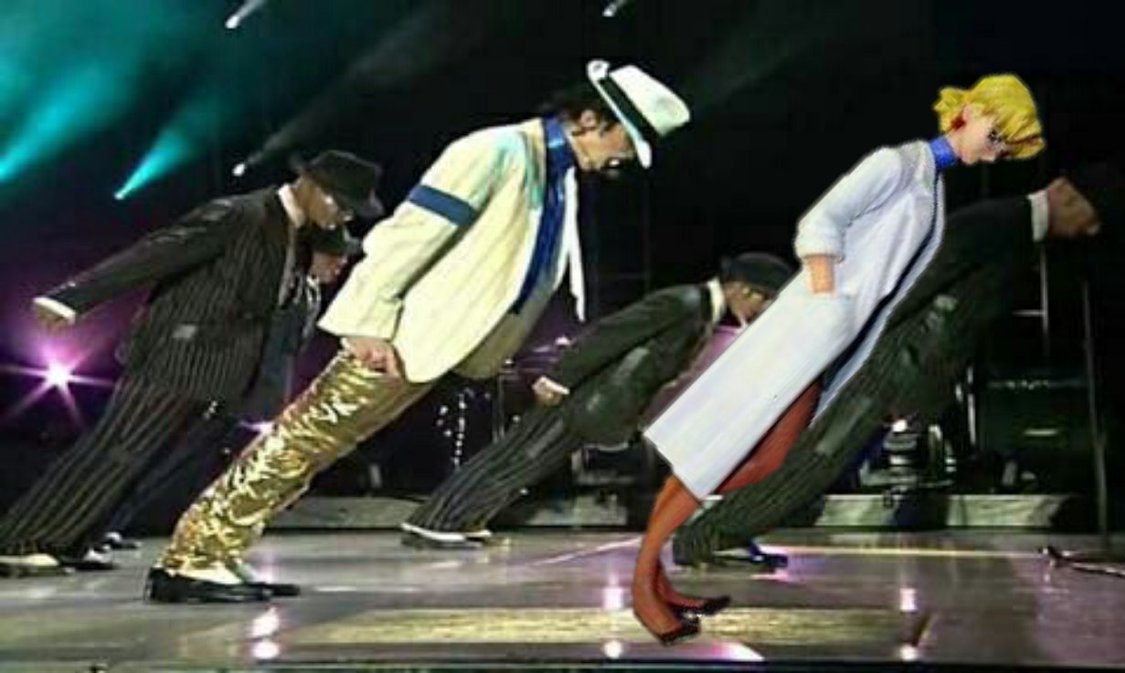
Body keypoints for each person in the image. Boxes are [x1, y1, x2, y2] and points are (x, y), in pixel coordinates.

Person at [145, 60, 691, 604]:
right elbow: (409, 233)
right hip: (396, 337)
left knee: (315, 447)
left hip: (428, 343)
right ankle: (192, 558)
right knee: (305, 438)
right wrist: (367, 321)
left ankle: (215, 549)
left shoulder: (554, 172)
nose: (624, 157)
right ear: (591, 120)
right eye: (628, 139)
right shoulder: (495, 151)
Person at [633, 74, 1045, 644]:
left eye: (1006, 147)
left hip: (826, 342)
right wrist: (827, 303)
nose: (995, 151)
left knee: (764, 459)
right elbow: (821, 221)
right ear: (969, 112)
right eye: (995, 135)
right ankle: (644, 584)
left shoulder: (929, 184)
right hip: (806, 332)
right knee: (720, 451)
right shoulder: (896, 165)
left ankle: (655, 575)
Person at [671, 168, 1122, 569]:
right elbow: (915, 287)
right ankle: (708, 537)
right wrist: (888, 365)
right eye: (1093, 215)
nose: (1092, 229)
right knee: (819, 460)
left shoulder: (1013, 232)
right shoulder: (998, 224)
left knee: (821, 462)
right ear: (1068, 195)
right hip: (883, 370)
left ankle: (717, 534)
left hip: (894, 369)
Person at [0, 150, 382, 578]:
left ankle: (72, 539)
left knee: (150, 464)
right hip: (178, 359)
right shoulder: (242, 214)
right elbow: (157, 252)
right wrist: (73, 297)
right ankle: (22, 540)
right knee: (117, 450)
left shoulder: (296, 233)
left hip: (221, 372)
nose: (344, 216)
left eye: (351, 210)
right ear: (310, 185)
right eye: (340, 203)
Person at [401, 253, 792, 548]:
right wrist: (560, 377)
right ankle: (437, 521)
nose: (763, 310)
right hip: (583, 398)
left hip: (597, 403)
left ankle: (461, 518)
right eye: (765, 300)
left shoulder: (701, 310)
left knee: (527, 462)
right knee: (519, 457)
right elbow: (611, 333)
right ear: (744, 290)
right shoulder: (684, 303)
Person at [99, 226, 359, 553]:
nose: (341, 263)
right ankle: (98, 525)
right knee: (150, 459)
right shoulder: (273, 283)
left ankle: (112, 524)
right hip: (212, 388)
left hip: (246, 400)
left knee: (175, 469)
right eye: (333, 255)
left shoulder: (307, 290)